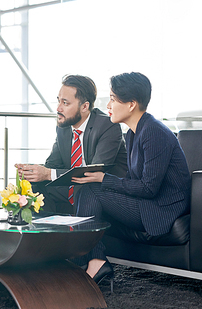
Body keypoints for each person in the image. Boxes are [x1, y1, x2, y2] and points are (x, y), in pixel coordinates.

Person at [73, 72, 191, 284]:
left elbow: (148, 188)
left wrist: (103, 179)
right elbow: (133, 180)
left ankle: (93, 263)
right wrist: (103, 180)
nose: (108, 105)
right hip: (146, 203)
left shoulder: (154, 132)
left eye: (113, 98)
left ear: (131, 104)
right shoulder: (134, 132)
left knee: (92, 189)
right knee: (87, 188)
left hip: (160, 210)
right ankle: (91, 261)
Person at [15, 74, 127, 214]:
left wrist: (48, 173)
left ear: (85, 106)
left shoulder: (107, 126)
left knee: (86, 188)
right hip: (72, 188)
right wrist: (32, 171)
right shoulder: (64, 127)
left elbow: (94, 173)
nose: (58, 108)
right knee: (34, 185)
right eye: (58, 101)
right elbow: (52, 165)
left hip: (100, 191)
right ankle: (48, 230)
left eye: (65, 103)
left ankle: (77, 233)